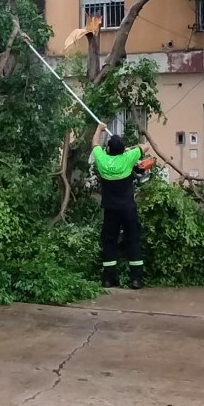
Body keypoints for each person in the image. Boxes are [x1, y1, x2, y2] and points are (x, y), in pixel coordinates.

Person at [92, 122, 148, 289]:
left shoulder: (102, 160)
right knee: (133, 240)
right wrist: (131, 150)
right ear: (123, 150)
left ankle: (108, 279)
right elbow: (146, 147)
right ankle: (136, 279)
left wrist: (99, 129)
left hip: (110, 210)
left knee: (109, 241)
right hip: (128, 209)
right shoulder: (127, 158)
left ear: (108, 149)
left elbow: (94, 144)